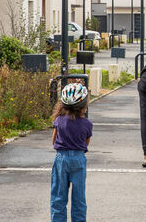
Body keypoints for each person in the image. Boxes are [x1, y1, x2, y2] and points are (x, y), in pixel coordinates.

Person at [50, 83, 92, 222]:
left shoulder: (59, 120)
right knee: (79, 198)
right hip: (78, 159)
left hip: (61, 159)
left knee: (58, 196)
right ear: (84, 106)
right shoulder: (87, 124)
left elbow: (53, 141)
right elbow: (85, 143)